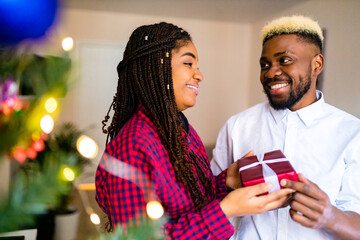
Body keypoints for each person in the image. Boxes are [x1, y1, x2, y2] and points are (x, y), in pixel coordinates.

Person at [95, 22, 294, 239]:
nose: (199, 75)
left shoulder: (181, 131)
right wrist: (225, 210)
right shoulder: (132, 147)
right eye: (188, 63)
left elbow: (192, 201)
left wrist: (226, 180)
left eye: (196, 65)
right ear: (156, 66)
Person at [211, 15, 360, 239]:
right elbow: (207, 198)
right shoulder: (237, 126)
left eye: (285, 60)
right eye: (265, 64)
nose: (271, 73)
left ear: (316, 64)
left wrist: (330, 217)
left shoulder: (352, 133)